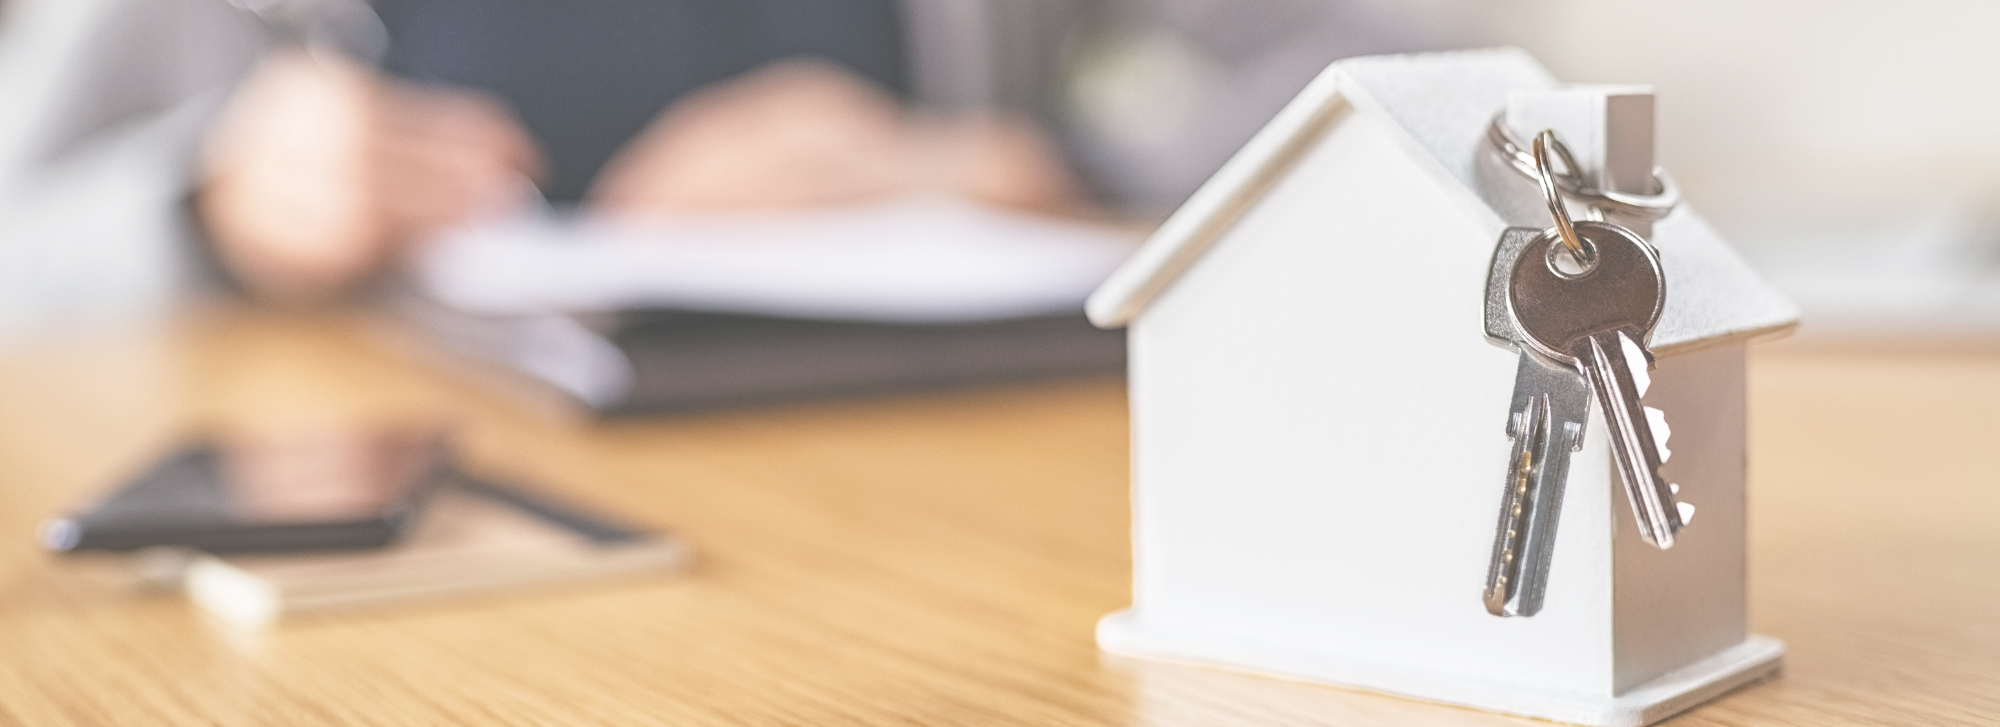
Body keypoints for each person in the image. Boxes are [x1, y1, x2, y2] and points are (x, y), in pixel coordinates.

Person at [0, 0, 1438, 331]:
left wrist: (1023, 152)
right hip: (404, 514)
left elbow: (1406, 72)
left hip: (947, 478)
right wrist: (203, 202)